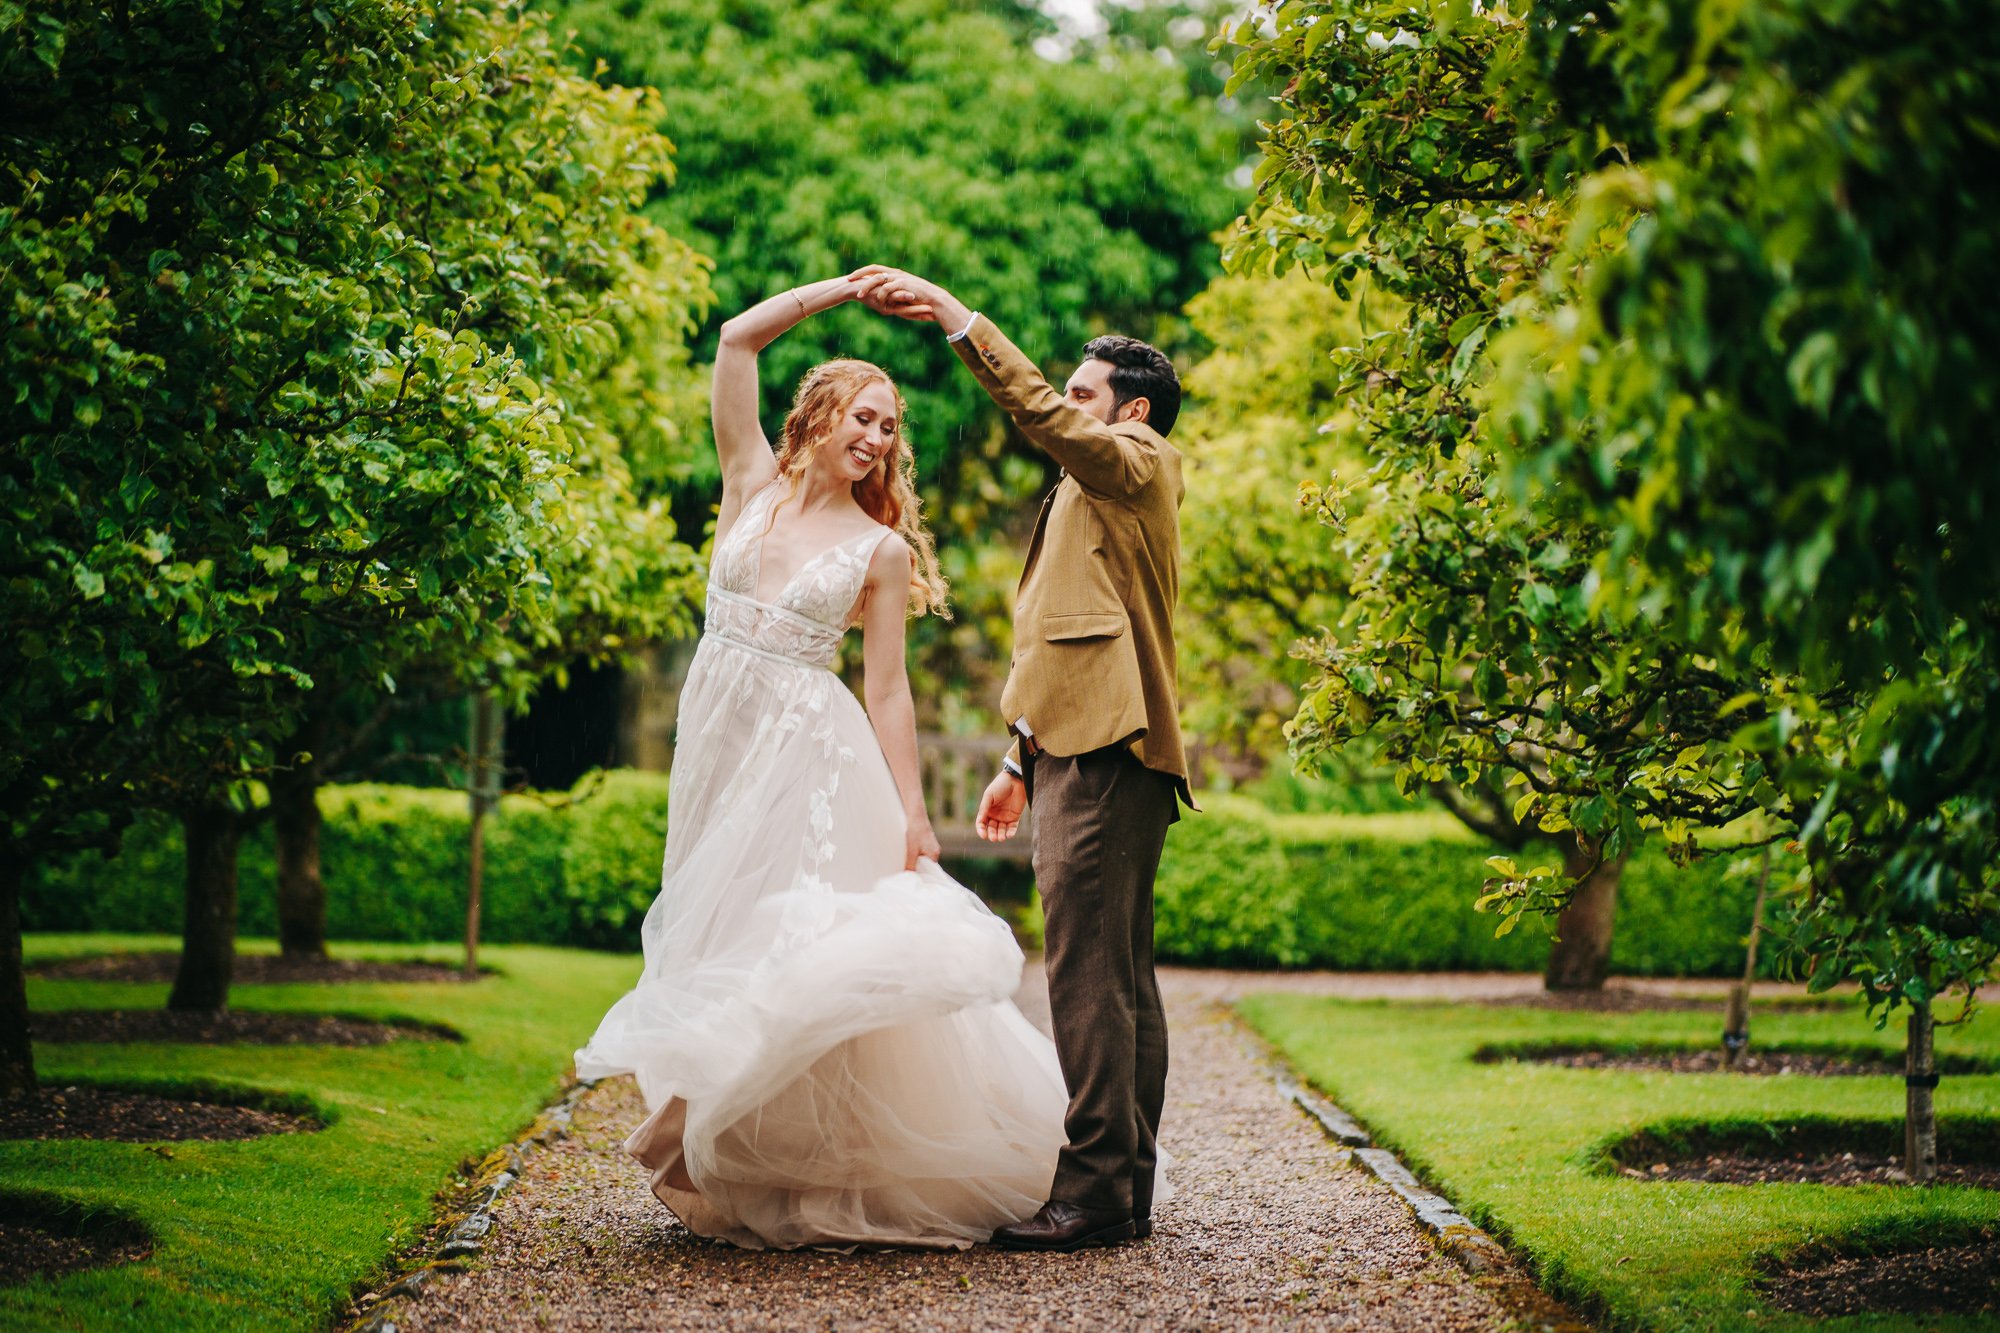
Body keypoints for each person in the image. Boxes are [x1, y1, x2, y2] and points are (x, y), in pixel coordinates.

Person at [573, 273, 1070, 1251]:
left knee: (790, 940)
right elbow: (732, 342)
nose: (877, 439)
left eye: (889, 428)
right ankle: (720, 1136)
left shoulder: (877, 551)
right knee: (713, 929)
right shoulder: (748, 484)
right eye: (864, 416)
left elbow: (887, 691)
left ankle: (685, 1130)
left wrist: (914, 813)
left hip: (809, 753)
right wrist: (839, 293)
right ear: (820, 413)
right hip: (718, 740)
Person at [852, 265, 1194, 1252]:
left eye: (1083, 392)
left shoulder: (1136, 460)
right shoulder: (1099, 488)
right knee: (1116, 974)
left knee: (1090, 975)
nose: (1064, 403)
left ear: (1131, 410)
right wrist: (1018, 754)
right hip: (1078, 747)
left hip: (1106, 757)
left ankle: (1091, 1191)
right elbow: (1068, 636)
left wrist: (961, 324)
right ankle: (1118, 1189)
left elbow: (1043, 413)